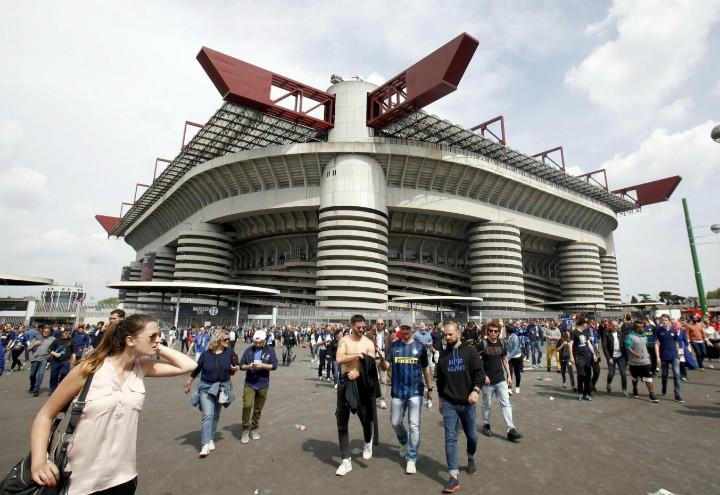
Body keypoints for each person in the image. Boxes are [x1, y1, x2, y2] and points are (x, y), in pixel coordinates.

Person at [29, 314, 197, 493]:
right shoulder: (88, 370)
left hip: (123, 477)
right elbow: (46, 415)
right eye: (152, 336)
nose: (159, 339)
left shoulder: (141, 368)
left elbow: (188, 365)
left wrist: (157, 346)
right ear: (130, 340)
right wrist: (39, 462)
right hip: (79, 480)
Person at [436, 321, 485, 493]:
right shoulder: (442, 356)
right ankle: (453, 476)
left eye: (450, 334)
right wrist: (441, 399)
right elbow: (440, 380)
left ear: (458, 333)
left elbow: (480, 373)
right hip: (449, 403)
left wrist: (476, 391)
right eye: (445, 334)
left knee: (472, 436)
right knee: (450, 438)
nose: (447, 337)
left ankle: (471, 458)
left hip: (467, 403)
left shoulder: (470, 352)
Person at [378, 322, 433, 474]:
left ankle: (411, 458)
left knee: (414, 426)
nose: (406, 331)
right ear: (400, 330)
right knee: (395, 422)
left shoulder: (420, 347)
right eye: (403, 328)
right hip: (397, 391)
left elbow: (426, 369)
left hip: (415, 392)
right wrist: (382, 359)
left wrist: (430, 388)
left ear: (412, 329)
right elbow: (385, 367)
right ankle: (404, 441)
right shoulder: (394, 347)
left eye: (408, 328)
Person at [334, 314, 379, 476]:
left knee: (366, 419)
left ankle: (367, 441)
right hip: (345, 382)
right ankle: (345, 461)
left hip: (362, 384)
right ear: (352, 325)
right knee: (341, 420)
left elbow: (372, 367)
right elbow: (339, 359)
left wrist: (358, 373)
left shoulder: (368, 343)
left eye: (363, 327)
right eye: (358, 327)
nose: (361, 329)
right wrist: (358, 356)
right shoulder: (344, 340)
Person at [184, 329, 238, 457]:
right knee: (208, 414)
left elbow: (234, 368)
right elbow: (197, 370)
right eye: (225, 340)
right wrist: (188, 382)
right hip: (206, 387)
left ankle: (210, 438)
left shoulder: (230, 353)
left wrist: (234, 369)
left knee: (215, 415)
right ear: (218, 340)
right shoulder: (205, 354)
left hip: (222, 388)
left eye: (228, 340)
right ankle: (205, 444)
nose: (228, 342)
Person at [478, 320, 522, 442]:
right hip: (487, 382)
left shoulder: (502, 343)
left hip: (500, 379)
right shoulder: (482, 344)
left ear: (499, 332)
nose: (493, 333)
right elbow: (477, 362)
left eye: (495, 331)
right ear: (487, 331)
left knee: (506, 404)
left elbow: (504, 359)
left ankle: (510, 429)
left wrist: (508, 375)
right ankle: (486, 425)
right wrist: (483, 375)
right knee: (487, 404)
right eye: (491, 331)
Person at [238, 330, 278, 444]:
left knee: (258, 408)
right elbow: (241, 366)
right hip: (249, 383)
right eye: (255, 342)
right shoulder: (249, 350)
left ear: (264, 341)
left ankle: (254, 427)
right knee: (247, 405)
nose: (257, 344)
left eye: (260, 342)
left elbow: (274, 366)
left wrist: (262, 365)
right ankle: (245, 428)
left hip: (263, 383)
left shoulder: (270, 350)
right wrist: (248, 367)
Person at [625, 320, 658, 403]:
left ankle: (651, 394)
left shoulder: (644, 336)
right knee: (635, 378)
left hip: (645, 361)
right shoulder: (630, 336)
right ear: (637, 328)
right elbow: (628, 347)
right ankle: (635, 389)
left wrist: (650, 353)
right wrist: (635, 354)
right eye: (642, 327)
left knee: (648, 378)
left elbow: (647, 345)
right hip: (634, 362)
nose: (644, 328)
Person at [654, 314, 684, 402]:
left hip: (674, 355)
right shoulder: (659, 331)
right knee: (664, 375)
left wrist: (679, 353)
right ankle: (664, 387)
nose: (664, 321)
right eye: (662, 320)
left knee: (677, 374)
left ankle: (677, 394)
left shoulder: (674, 330)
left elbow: (677, 342)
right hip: (664, 356)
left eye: (666, 320)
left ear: (669, 321)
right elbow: (656, 344)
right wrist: (657, 357)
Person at [569, 317, 597, 401]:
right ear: (583, 324)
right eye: (586, 324)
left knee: (588, 375)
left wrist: (594, 354)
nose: (587, 325)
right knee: (581, 374)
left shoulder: (585, 333)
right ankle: (580, 392)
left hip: (587, 356)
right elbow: (570, 345)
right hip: (579, 356)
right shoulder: (574, 333)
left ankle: (586, 394)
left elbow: (589, 344)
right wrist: (571, 356)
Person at [602, 321, 627, 396]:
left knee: (623, 374)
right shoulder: (606, 334)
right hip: (611, 357)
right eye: (613, 325)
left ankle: (624, 389)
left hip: (620, 356)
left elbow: (625, 345)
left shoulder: (620, 333)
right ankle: (608, 383)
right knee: (611, 374)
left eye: (616, 325)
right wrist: (609, 357)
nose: (615, 327)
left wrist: (627, 358)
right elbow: (604, 347)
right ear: (610, 326)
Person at [29, 325, 55, 396]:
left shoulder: (53, 339)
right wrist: (34, 344)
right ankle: (32, 385)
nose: (46, 332)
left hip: (44, 359)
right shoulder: (37, 338)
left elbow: (55, 347)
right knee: (32, 375)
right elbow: (28, 348)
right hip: (35, 358)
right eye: (45, 331)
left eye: (48, 332)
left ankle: (36, 389)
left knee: (40, 374)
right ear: (42, 331)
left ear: (50, 332)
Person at [48, 328, 76, 394]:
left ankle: (60, 384)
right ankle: (53, 389)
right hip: (55, 361)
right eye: (66, 333)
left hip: (66, 361)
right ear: (63, 333)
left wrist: (74, 361)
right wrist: (55, 354)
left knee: (64, 373)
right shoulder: (56, 341)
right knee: (53, 376)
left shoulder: (71, 341)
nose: (68, 335)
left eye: (69, 334)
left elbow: (74, 352)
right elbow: (49, 349)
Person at [506, 325, 523, 395]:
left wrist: (508, 357)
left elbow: (515, 349)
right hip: (510, 357)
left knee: (517, 372)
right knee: (509, 372)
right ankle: (509, 388)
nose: (504, 331)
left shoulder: (515, 337)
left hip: (517, 357)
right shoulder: (507, 337)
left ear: (508, 331)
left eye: (505, 330)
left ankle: (517, 387)